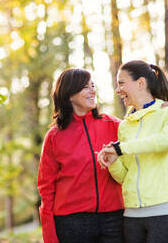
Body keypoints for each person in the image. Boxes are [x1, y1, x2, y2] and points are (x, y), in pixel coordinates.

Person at [97, 60, 168, 243]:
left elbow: (166, 141)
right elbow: (125, 177)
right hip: (132, 216)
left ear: (140, 83)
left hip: (166, 210)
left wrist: (121, 148)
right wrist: (113, 160)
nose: (117, 90)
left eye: (121, 83)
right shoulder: (124, 126)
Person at [37, 68, 125, 243]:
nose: (93, 90)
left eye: (93, 86)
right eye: (86, 87)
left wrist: (161, 106)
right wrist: (49, 236)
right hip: (71, 223)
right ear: (69, 94)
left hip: (113, 219)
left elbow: (145, 131)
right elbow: (46, 188)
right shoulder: (54, 136)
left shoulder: (113, 125)